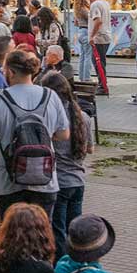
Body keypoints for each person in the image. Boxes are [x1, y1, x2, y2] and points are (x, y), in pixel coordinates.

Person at [0, 50, 70, 220]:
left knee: (12, 236)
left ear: (11, 72)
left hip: (7, 182)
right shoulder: (51, 96)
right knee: (41, 235)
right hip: (45, 180)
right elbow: (64, 134)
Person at [38, 71, 90, 258]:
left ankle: (60, 268)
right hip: (78, 181)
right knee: (75, 231)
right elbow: (89, 149)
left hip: (58, 182)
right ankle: (77, 265)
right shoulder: (83, 116)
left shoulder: (51, 118)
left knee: (57, 231)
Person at [87, 0, 112, 96]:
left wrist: (92, 36)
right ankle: (103, 83)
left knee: (98, 62)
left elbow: (98, 21)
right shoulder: (105, 3)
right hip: (106, 36)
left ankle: (103, 85)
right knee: (101, 61)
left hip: (99, 37)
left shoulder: (95, 5)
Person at [73, 0, 93, 83]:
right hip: (86, 31)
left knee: (82, 55)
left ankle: (81, 76)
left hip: (80, 31)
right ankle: (87, 77)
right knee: (88, 55)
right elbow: (91, 20)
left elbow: (76, 23)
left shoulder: (77, 10)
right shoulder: (84, 9)